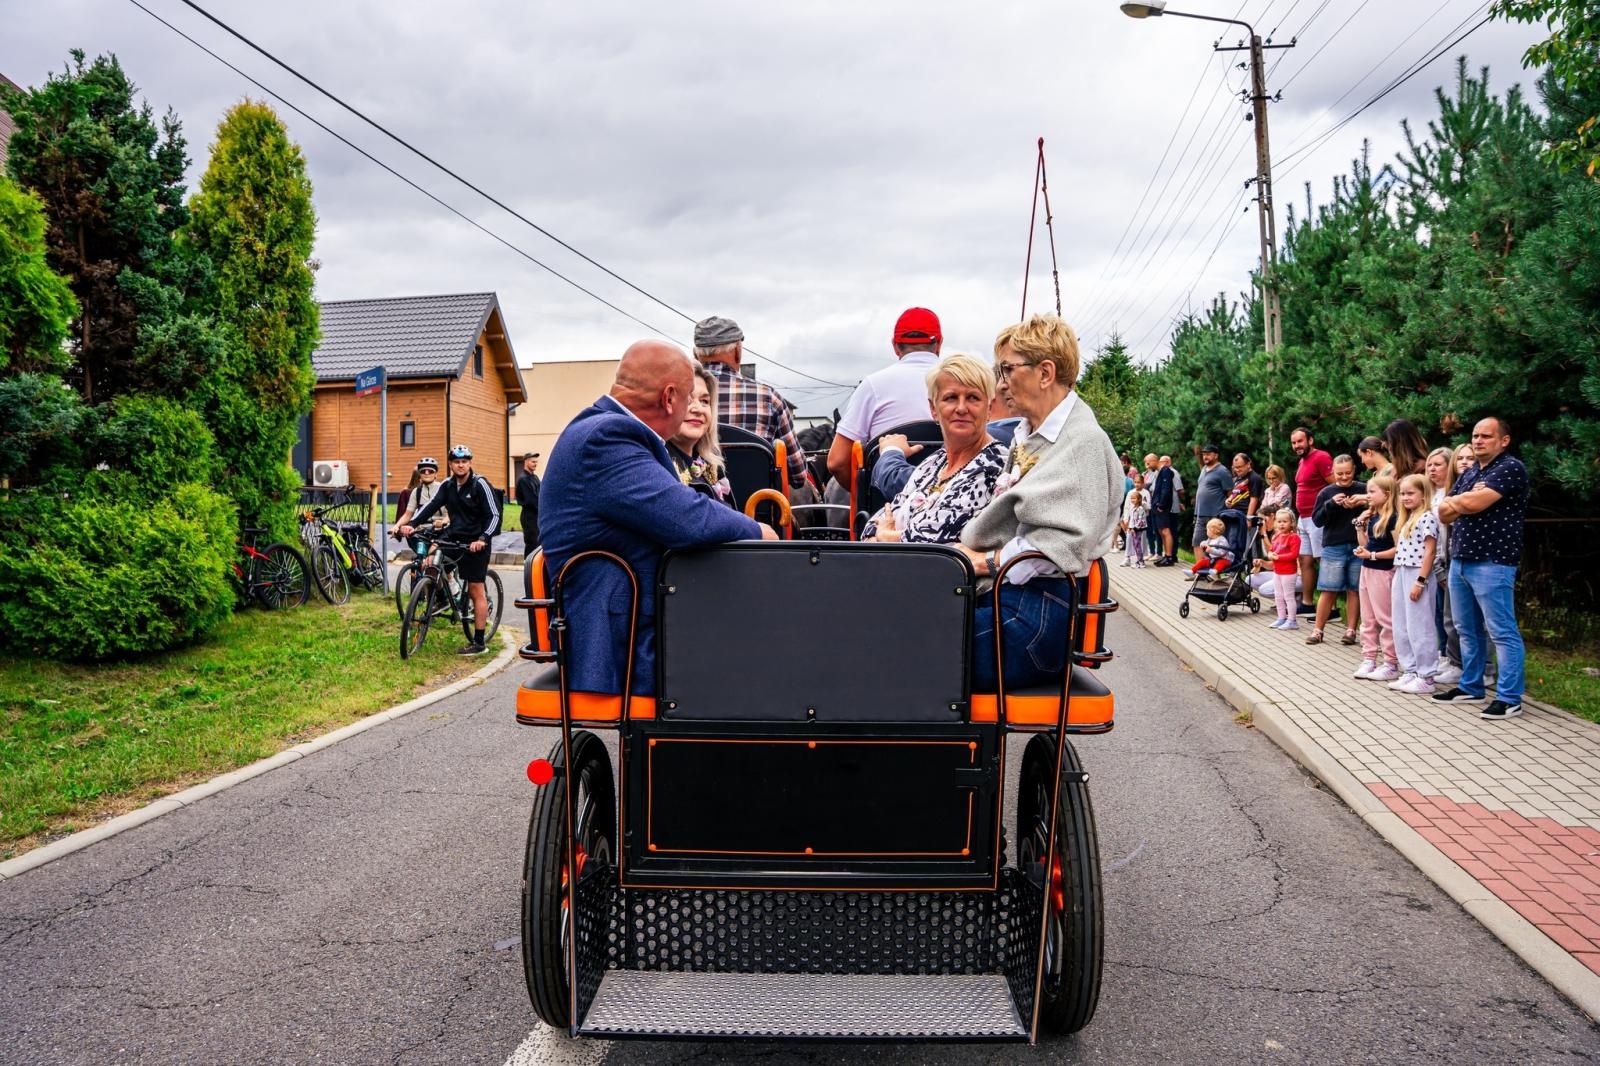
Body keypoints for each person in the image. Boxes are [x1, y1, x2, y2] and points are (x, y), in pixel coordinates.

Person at [538, 340, 777, 694]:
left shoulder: (608, 429)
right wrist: (759, 530)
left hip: (648, 620)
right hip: (629, 639)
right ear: (668, 398)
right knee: (774, 664)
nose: (690, 410)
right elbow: (686, 518)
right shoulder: (608, 437)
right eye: (687, 399)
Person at [955, 314, 1122, 690]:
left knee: (912, 647)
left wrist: (982, 560)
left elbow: (1062, 544)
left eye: (1007, 370)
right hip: (1019, 604)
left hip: (1034, 620)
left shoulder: (1082, 443)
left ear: (1045, 373)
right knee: (908, 627)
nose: (999, 385)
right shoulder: (1035, 435)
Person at [1433, 417, 1529, 720]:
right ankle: (1471, 685)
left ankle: (1509, 697)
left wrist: (1463, 501)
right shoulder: (1473, 471)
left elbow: (1471, 506)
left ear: (1503, 440)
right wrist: (1469, 497)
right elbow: (1443, 512)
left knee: (1501, 631)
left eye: (1486, 436)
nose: (1478, 441)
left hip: (1493, 561)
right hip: (1461, 559)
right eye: (1475, 436)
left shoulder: (1510, 468)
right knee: (1466, 629)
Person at [861, 353, 1007, 543]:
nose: (961, 408)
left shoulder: (995, 464)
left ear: (989, 408)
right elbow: (873, 525)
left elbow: (932, 536)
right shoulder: (933, 463)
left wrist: (886, 536)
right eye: (951, 398)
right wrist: (879, 537)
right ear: (933, 409)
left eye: (973, 398)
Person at [399, 444, 502, 655]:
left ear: (470, 463)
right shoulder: (447, 485)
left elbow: (495, 515)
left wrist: (483, 538)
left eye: (464, 461)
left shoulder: (480, 484)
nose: (461, 465)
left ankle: (479, 642)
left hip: (475, 543)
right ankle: (443, 599)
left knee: (475, 590)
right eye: (456, 462)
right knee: (431, 562)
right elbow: (430, 506)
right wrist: (413, 523)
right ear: (451, 464)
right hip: (453, 537)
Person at [692, 316, 810, 500]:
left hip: (696, 514)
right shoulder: (769, 398)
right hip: (758, 519)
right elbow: (798, 476)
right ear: (738, 351)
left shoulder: (680, 397)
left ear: (695, 354)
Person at [827, 307, 945, 489]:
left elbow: (837, 462)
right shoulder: (967, 383)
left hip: (885, 507)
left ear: (895, 346)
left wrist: (866, 497)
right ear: (939, 344)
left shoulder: (872, 385)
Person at [1389, 473, 1443, 694]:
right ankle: (1410, 669)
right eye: (1402, 493)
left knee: (1420, 625)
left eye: (1410, 493)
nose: (1405, 497)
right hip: (1401, 570)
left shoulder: (1427, 517)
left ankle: (1427, 675)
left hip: (1417, 573)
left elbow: (1430, 551)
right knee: (1401, 624)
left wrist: (1420, 581)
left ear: (1423, 495)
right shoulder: (1408, 518)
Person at [1306, 455, 1363, 645]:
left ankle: (1351, 631)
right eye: (1340, 474)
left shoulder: (1363, 489)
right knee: (1328, 589)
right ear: (1333, 472)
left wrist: (1362, 503)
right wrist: (1331, 504)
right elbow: (1317, 520)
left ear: (1354, 470)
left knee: (1354, 589)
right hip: (1333, 546)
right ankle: (1318, 630)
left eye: (1348, 473)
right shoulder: (1326, 492)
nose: (1344, 477)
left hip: (1358, 546)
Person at [1351, 474, 1400, 682]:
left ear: (1387, 494)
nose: (1367, 495)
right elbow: (1367, 543)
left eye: (1372, 492)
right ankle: (1369, 657)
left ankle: (1391, 662)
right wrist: (1360, 527)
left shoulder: (1393, 517)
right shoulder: (1374, 516)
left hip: (1383, 571)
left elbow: (1399, 549)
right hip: (1367, 569)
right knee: (1368, 618)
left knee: (1385, 618)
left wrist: (1372, 555)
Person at [1425, 446, 1463, 686]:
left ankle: (1456, 660)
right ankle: (1444, 655)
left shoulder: (1452, 492)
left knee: (1452, 616)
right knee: (1439, 613)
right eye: (1429, 464)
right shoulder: (1429, 494)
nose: (1432, 469)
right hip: (1433, 561)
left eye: (1438, 464)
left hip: (1447, 558)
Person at [667, 364, 732, 504]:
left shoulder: (711, 465)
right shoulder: (659, 465)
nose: (698, 409)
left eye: (704, 401)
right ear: (666, 403)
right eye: (688, 400)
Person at [1291, 428, 1334, 616]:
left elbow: (1334, 484)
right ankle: (1308, 604)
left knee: (1321, 559)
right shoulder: (1302, 461)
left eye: (1300, 441)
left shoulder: (1321, 457)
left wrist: (1328, 510)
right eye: (1294, 443)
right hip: (1303, 518)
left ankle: (1331, 609)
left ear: (1310, 440)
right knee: (1305, 559)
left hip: (1318, 518)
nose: (1297, 446)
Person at [395, 456, 446, 555]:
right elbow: (408, 514)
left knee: (437, 559)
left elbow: (452, 513)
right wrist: (397, 526)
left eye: (430, 471)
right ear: (419, 474)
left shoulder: (443, 489)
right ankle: (418, 567)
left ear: (435, 474)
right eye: (423, 471)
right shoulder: (416, 491)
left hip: (442, 530)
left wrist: (443, 521)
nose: (427, 473)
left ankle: (447, 570)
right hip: (422, 530)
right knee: (420, 556)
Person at [1262, 508, 1302, 630]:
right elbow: (1272, 550)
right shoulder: (1276, 537)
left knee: (1288, 596)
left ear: (1292, 523)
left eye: (1285, 521)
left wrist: (1278, 557)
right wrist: (1270, 555)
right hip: (1277, 571)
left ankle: (1292, 620)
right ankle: (1281, 618)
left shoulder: (1294, 537)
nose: (1282, 524)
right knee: (1278, 596)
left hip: (1289, 572)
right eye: (1279, 521)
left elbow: (1293, 554)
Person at [1192, 444, 1232, 548]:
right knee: (1197, 542)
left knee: (1215, 544)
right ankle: (1200, 565)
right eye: (1204, 454)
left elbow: (1230, 493)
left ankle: (1214, 564)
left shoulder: (1222, 471)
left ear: (1216, 456)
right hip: (1200, 513)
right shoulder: (1204, 469)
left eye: (1208, 454)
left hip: (1215, 513)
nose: (1205, 457)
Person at [1149, 455, 1181, 565]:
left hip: (1163, 507)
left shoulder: (1166, 471)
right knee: (1161, 531)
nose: (1148, 466)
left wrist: (1161, 505)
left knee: (1166, 531)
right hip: (1157, 506)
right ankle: (1165, 554)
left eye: (1148, 463)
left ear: (1154, 460)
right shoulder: (1160, 472)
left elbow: (1166, 489)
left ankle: (1169, 556)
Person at [515, 451, 542, 555]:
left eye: (536, 462)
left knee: (538, 545)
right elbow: (531, 501)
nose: (535, 464)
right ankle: (529, 568)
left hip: (537, 516)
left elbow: (540, 494)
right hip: (529, 517)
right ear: (526, 462)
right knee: (532, 545)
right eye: (533, 462)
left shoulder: (534, 478)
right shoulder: (523, 479)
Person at [1227, 452, 1266, 519]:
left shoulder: (1254, 478)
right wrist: (1228, 501)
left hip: (1245, 516)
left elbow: (1254, 500)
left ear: (1248, 464)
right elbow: (1235, 493)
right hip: (1234, 514)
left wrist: (1249, 518)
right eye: (1235, 467)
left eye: (1239, 467)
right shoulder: (1238, 478)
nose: (1237, 470)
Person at [1122, 488, 1149, 567]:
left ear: (1139, 499)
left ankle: (1141, 562)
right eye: (1131, 499)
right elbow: (1132, 519)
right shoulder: (1133, 508)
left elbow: (1140, 520)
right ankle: (1138, 561)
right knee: (1135, 545)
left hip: (1137, 530)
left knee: (1138, 545)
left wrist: (1135, 528)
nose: (1132, 500)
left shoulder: (1140, 509)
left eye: (1134, 498)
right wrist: (1130, 527)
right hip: (1133, 529)